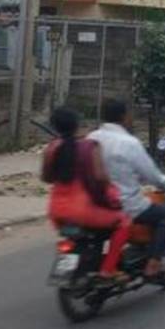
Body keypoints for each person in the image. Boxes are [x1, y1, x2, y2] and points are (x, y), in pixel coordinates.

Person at [87, 99, 165, 277]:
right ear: (124, 117)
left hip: (95, 203)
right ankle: (154, 262)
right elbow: (151, 174)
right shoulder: (129, 143)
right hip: (125, 204)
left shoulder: (91, 138)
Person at [41, 106, 131, 282]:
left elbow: (46, 178)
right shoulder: (89, 146)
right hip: (83, 210)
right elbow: (100, 177)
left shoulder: (51, 149)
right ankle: (108, 270)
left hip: (57, 212)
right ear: (77, 125)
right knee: (124, 222)